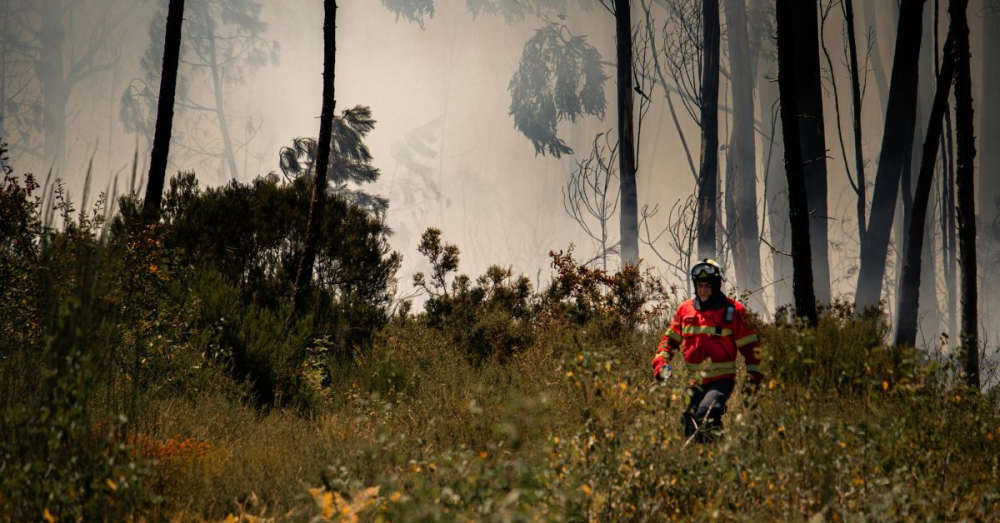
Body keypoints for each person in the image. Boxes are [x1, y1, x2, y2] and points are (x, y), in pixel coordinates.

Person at [652, 258, 763, 442]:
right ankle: (707, 460)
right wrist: (661, 365)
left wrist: (753, 380)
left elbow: (751, 349)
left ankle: (718, 457)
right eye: (699, 286)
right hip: (693, 381)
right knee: (689, 422)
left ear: (717, 285)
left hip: (721, 380)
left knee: (706, 413)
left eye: (707, 286)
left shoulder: (734, 311)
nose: (702, 290)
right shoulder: (685, 310)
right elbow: (668, 342)